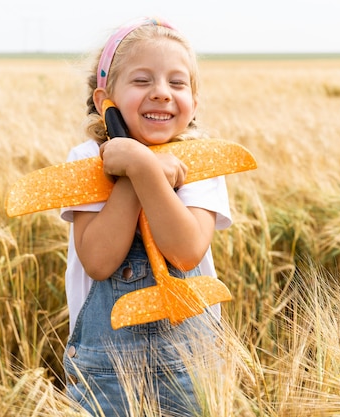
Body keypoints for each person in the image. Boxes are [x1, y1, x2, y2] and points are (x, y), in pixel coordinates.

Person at [60, 17, 232, 416]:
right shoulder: (86, 161)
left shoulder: (203, 161)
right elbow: (100, 261)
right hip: (106, 369)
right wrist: (136, 169)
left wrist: (143, 169)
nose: (161, 93)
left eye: (177, 83)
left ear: (194, 101)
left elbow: (185, 251)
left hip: (189, 363)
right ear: (106, 100)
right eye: (142, 81)